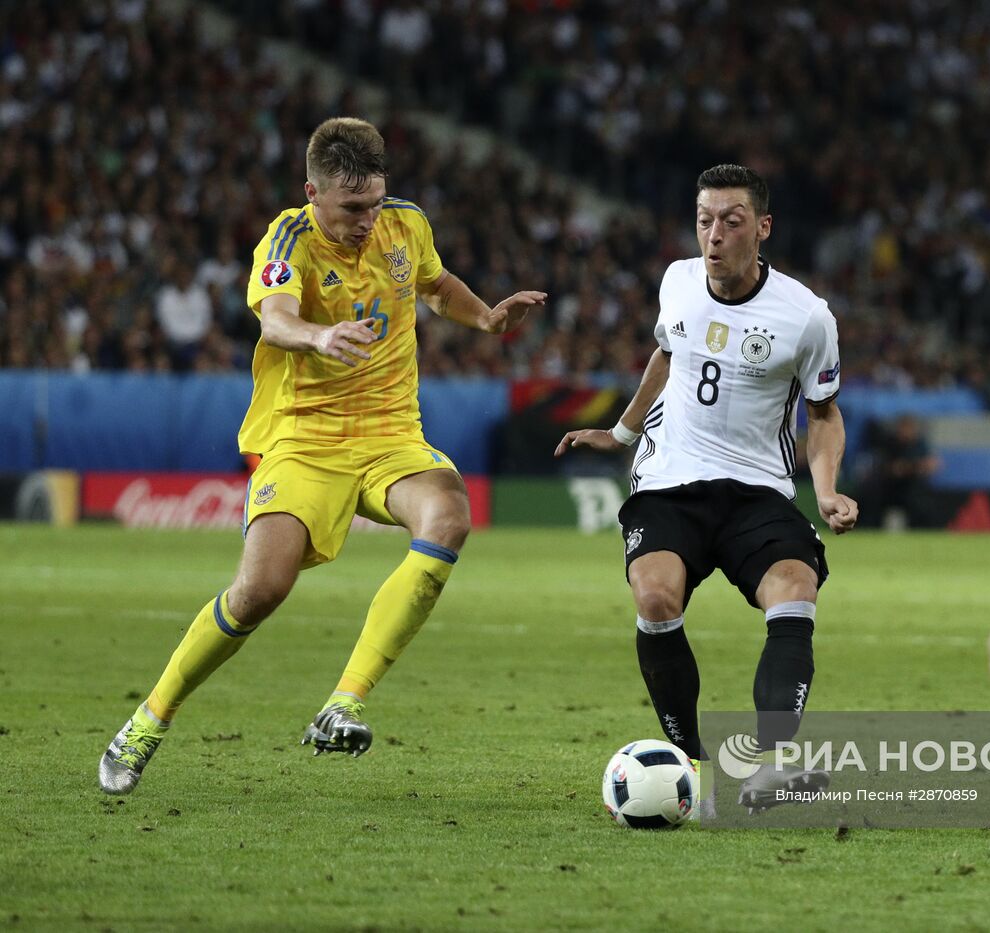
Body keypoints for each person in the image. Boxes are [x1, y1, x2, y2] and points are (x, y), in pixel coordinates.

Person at [98, 117, 545, 794]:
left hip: (392, 434)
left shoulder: (405, 223)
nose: (368, 220)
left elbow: (434, 281)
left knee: (448, 517)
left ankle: (345, 701)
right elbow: (273, 316)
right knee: (259, 592)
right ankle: (148, 719)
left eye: (375, 203)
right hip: (304, 440)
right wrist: (316, 334)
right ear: (313, 192)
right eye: (351, 208)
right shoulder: (287, 239)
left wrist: (485, 317)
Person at [555, 163, 858, 815]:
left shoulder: (807, 317)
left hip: (757, 492)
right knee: (656, 595)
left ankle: (772, 766)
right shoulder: (677, 281)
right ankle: (692, 765)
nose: (713, 234)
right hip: (671, 482)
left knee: (794, 590)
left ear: (763, 227)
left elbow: (824, 412)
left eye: (731, 220)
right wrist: (622, 430)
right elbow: (667, 354)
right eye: (704, 220)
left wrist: (827, 488)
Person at [859, 413, 941, 529]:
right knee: (870, 497)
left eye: (910, 428)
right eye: (904, 428)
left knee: (923, 503)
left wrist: (909, 467)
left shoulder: (919, 444)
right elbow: (893, 469)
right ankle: (868, 529)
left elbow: (932, 464)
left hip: (911, 487)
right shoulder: (889, 443)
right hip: (889, 487)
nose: (907, 432)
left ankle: (923, 531)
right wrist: (916, 466)